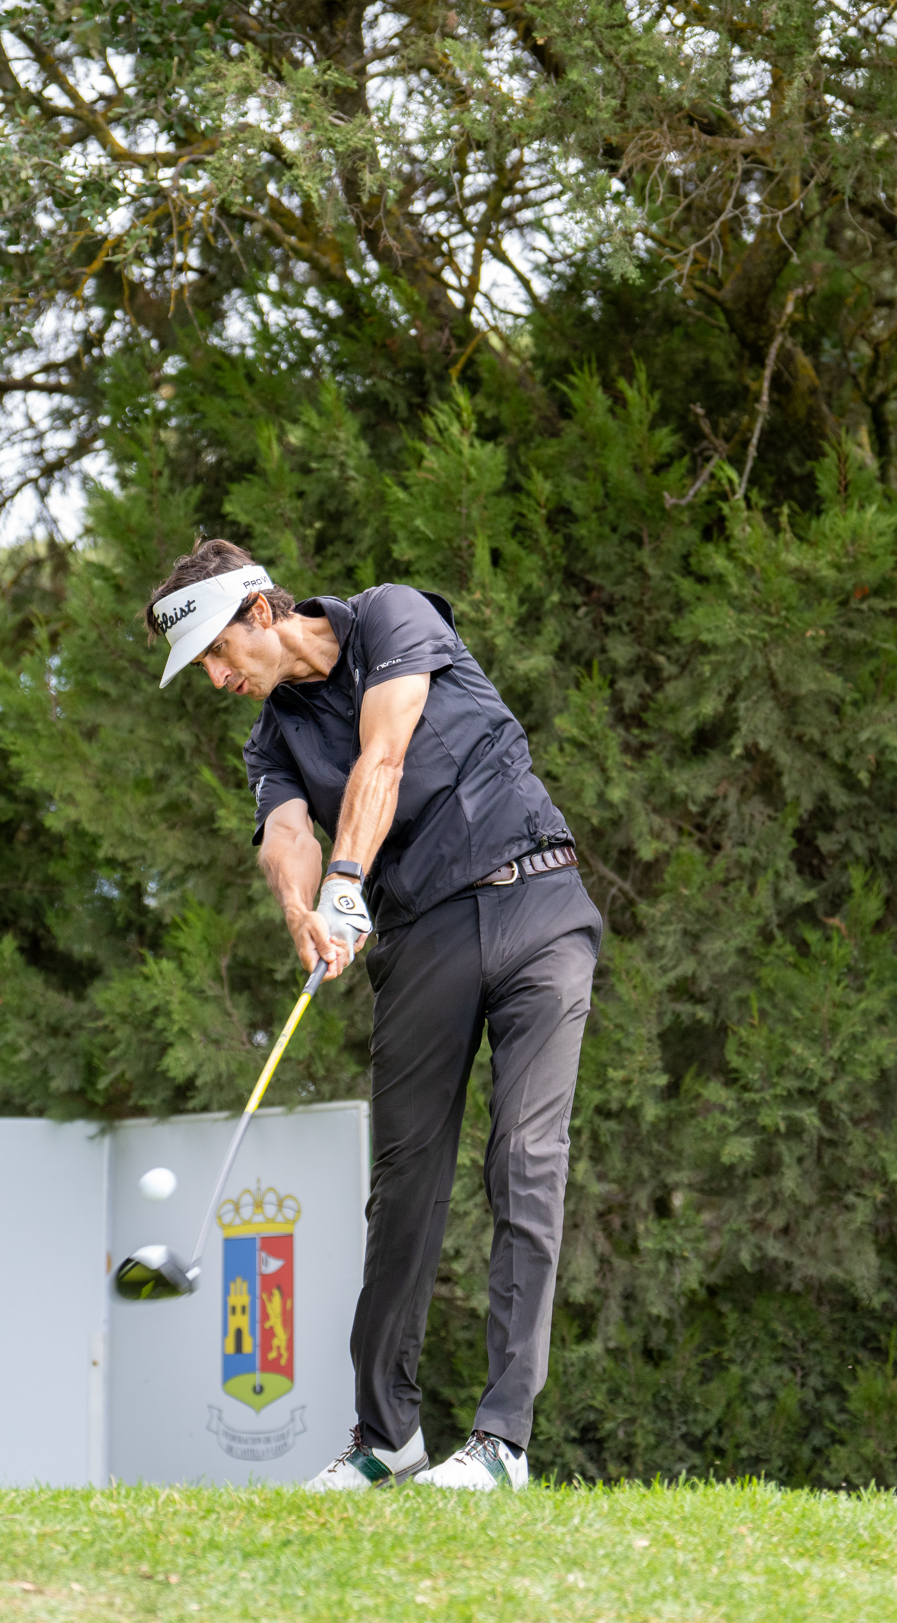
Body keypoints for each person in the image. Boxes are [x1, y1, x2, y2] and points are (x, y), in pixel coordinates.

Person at [145, 539, 598, 1493]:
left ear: (261, 612)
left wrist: (350, 877)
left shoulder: (392, 616)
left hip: (538, 907)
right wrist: (307, 910)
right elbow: (285, 834)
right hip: (425, 935)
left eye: (221, 654)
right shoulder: (271, 739)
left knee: (525, 1158)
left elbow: (383, 755)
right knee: (402, 1184)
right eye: (206, 671)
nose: (220, 678)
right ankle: (387, 1438)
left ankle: (503, 1443)